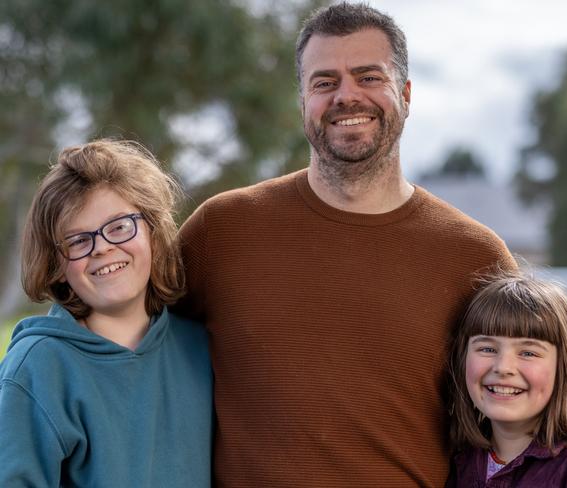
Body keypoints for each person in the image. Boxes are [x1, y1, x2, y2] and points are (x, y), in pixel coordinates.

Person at [177, 2, 515, 486]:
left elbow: (536, 415)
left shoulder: (475, 256)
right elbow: (124, 342)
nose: (346, 96)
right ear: (303, 103)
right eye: (324, 82)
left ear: (405, 93)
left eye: (368, 77)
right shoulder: (222, 230)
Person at [0, 140, 213, 487]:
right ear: (57, 265)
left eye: (119, 226)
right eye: (78, 241)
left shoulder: (198, 348)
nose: (102, 248)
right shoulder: (38, 369)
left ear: (154, 233)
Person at [445, 270, 567, 487]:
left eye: (528, 353)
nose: (503, 367)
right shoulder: (458, 460)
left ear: (564, 366)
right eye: (487, 348)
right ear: (463, 358)